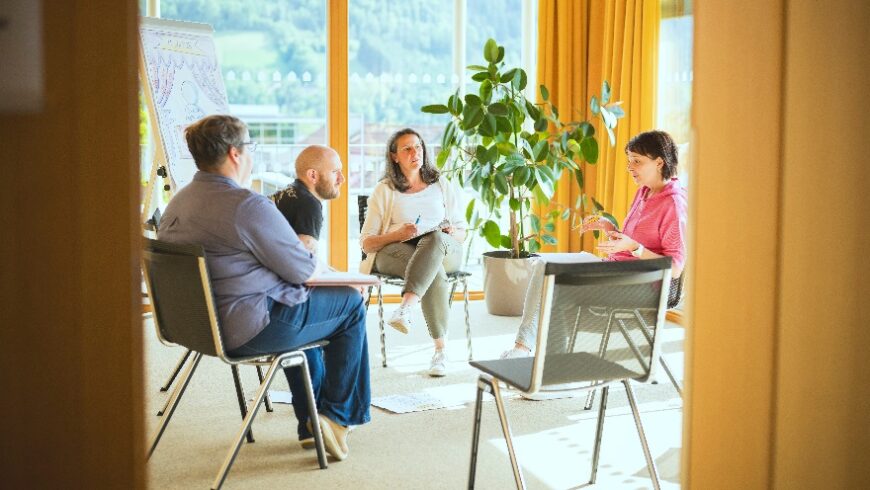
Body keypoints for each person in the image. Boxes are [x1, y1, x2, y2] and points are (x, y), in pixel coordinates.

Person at [158, 115, 369, 461]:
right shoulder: (246, 205)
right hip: (247, 329)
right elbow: (302, 269)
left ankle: (311, 421)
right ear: (235, 154)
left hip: (196, 327)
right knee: (348, 304)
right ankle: (336, 416)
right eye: (250, 148)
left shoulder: (177, 204)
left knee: (308, 310)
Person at [503, 129, 688, 358]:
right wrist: (609, 228)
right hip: (615, 269)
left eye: (637, 162)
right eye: (629, 161)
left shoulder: (673, 203)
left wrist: (634, 248)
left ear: (659, 162)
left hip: (638, 285)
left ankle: (551, 370)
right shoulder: (644, 192)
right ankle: (523, 350)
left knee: (556, 286)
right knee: (542, 264)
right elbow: (631, 242)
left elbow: (676, 267)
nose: (630, 167)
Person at [359, 128, 467, 377]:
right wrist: (397, 235)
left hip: (444, 247)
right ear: (394, 156)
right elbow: (367, 244)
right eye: (407, 148)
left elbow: (462, 232)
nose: (414, 152)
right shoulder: (384, 190)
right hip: (398, 250)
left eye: (418, 147)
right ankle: (441, 352)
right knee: (432, 270)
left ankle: (406, 306)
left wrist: (451, 232)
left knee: (435, 239)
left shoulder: (441, 184)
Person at [271, 145, 345, 253]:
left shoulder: (290, 194)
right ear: (313, 175)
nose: (342, 179)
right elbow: (303, 261)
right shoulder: (308, 204)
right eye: (334, 172)